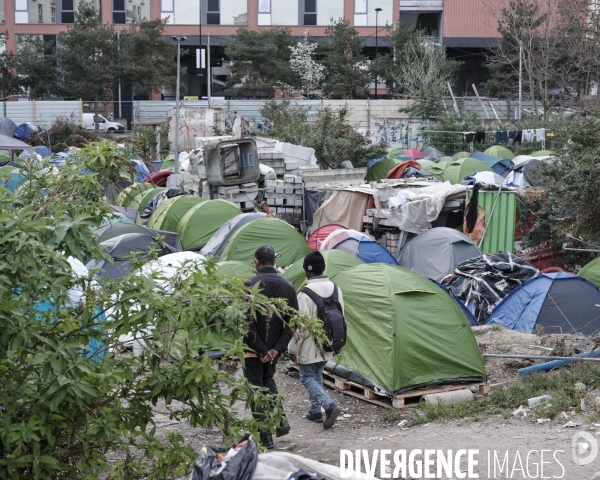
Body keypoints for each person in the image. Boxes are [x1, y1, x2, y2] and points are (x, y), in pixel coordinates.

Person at [243, 245, 297, 449]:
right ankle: (280, 420)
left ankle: (265, 436)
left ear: (256, 262)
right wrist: (276, 350)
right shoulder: (288, 287)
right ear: (274, 261)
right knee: (268, 380)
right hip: (274, 350)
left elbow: (246, 323)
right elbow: (292, 323)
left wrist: (261, 349)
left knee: (255, 389)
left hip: (252, 350)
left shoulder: (249, 285)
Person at [288, 251, 343, 429]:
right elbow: (342, 317)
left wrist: (292, 350)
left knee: (306, 377)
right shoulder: (336, 288)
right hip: (328, 342)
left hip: (308, 345)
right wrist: (339, 342)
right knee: (317, 374)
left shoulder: (304, 293)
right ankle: (315, 412)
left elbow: (301, 327)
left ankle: (329, 406)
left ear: (308, 271)